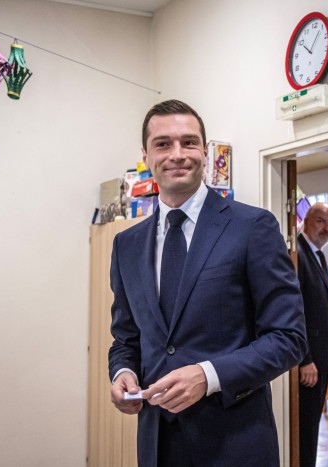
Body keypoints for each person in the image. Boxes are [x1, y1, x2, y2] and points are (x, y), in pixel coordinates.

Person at [108, 99, 307, 467]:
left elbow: (289, 338)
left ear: (204, 149)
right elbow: (126, 338)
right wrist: (123, 373)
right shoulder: (126, 245)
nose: (177, 154)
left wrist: (208, 375)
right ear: (146, 155)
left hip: (234, 443)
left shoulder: (252, 228)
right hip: (156, 445)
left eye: (189, 142)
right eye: (163, 144)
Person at [296, 202, 328, 467]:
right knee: (306, 430)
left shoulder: (319, 255)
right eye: (321, 221)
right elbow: (296, 310)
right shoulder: (298, 255)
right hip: (309, 363)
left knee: (312, 426)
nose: (327, 228)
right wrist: (305, 359)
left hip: (324, 361)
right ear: (305, 221)